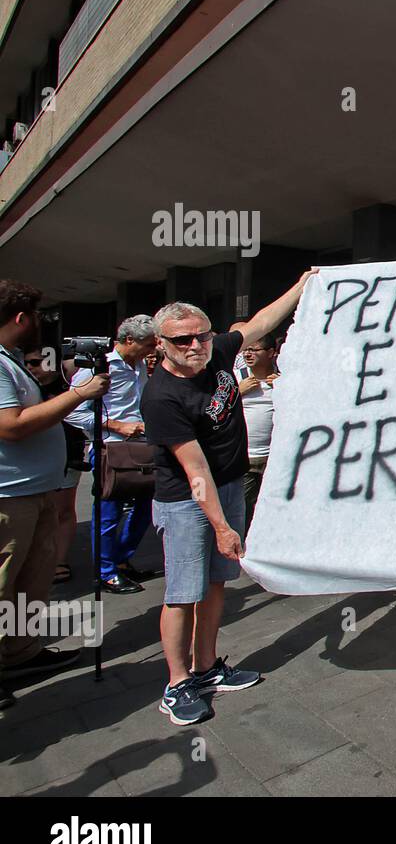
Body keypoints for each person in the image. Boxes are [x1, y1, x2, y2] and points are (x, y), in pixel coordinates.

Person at [142, 271, 315, 726]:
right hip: (187, 502)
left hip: (227, 486)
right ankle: (177, 683)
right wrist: (221, 526)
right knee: (183, 592)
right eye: (181, 341)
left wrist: (301, 286)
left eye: (200, 336)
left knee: (217, 583)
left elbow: (258, 323)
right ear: (161, 343)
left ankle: (207, 667)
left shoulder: (217, 350)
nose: (194, 346)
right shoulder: (162, 396)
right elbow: (194, 470)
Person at [0, 280, 109, 710]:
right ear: (22, 318)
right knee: (5, 584)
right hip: (9, 498)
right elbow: (11, 425)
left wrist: (48, 387)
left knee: (32, 580)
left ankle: (21, 653)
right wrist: (78, 395)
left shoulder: (11, 360)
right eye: (39, 319)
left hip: (35, 490)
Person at [66, 315, 159, 594]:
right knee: (109, 513)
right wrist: (116, 425)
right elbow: (72, 411)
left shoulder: (140, 365)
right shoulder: (99, 366)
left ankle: (121, 560)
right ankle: (105, 571)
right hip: (111, 448)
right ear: (129, 340)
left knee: (145, 509)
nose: (152, 349)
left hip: (143, 447)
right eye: (147, 344)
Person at [27, 352, 89, 585]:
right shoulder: (18, 388)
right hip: (30, 465)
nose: (31, 368)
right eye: (27, 363)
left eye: (36, 363)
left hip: (67, 457)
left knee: (61, 511)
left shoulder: (69, 386)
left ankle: (59, 561)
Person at [237, 335, 279, 528]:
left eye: (254, 350)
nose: (248, 353)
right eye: (246, 349)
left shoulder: (283, 378)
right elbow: (214, 407)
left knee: (271, 509)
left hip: (274, 458)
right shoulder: (237, 376)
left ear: (271, 353)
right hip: (246, 457)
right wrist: (237, 391)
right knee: (242, 509)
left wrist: (284, 388)